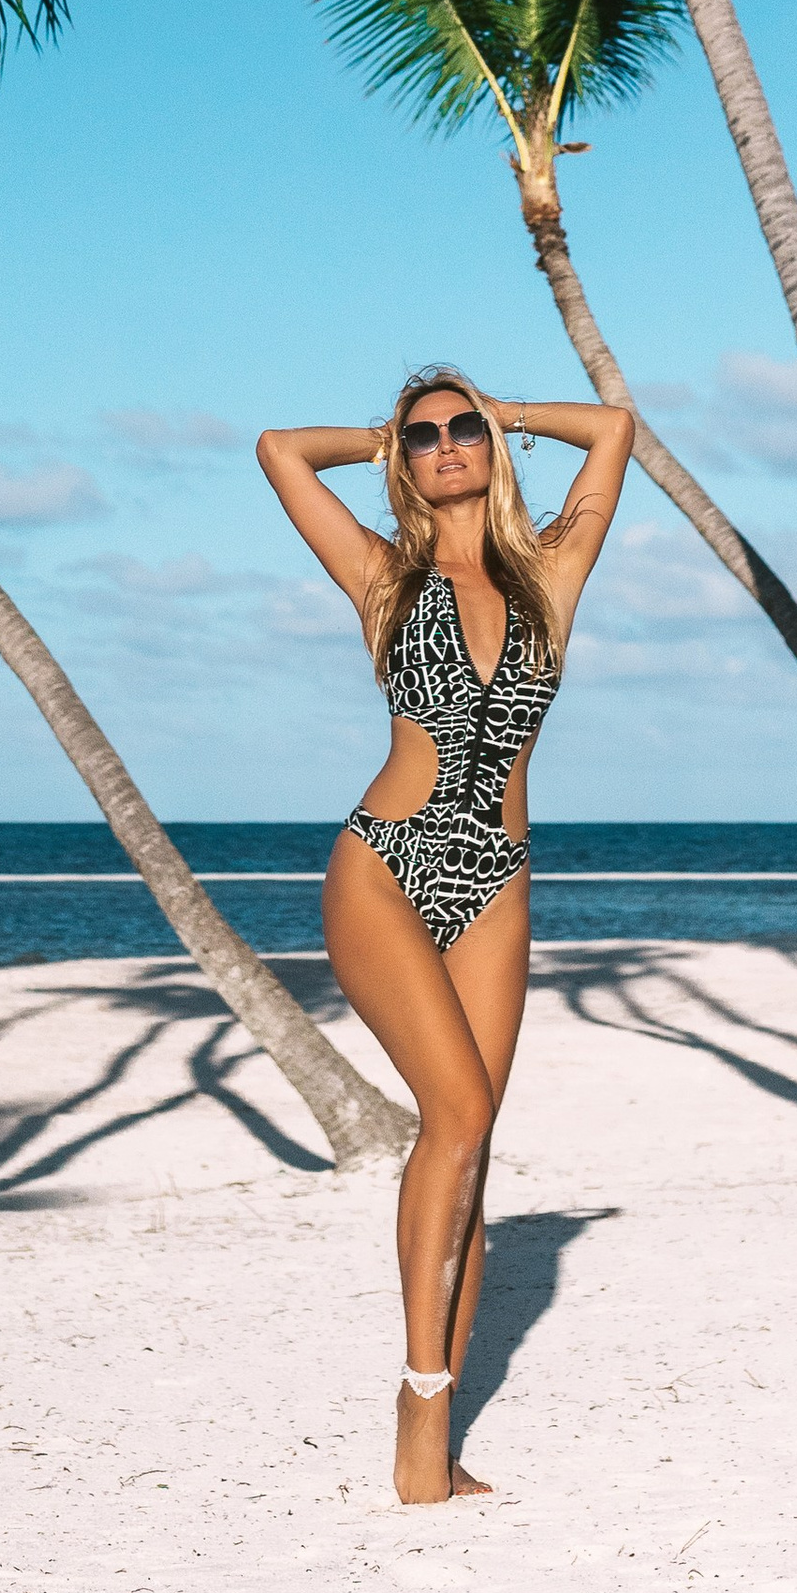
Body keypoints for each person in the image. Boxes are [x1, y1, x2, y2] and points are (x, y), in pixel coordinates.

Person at [257, 374, 634, 1506]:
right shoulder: (385, 577)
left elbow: (614, 430)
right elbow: (280, 447)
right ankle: (419, 1420)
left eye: (461, 427)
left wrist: (501, 411)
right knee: (456, 1118)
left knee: (468, 1154)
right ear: (402, 463)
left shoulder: (551, 571)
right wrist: (384, 437)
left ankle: (438, 1427)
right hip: (386, 863)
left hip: (497, 881)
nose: (445, 446)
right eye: (425, 438)